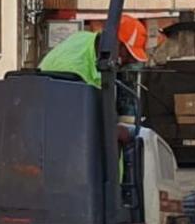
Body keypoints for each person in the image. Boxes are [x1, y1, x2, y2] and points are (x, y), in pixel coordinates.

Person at [40, 14, 149, 146]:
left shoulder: (84, 40)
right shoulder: (73, 71)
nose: (126, 62)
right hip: (59, 145)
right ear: (115, 42)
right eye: (127, 55)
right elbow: (70, 124)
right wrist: (113, 131)